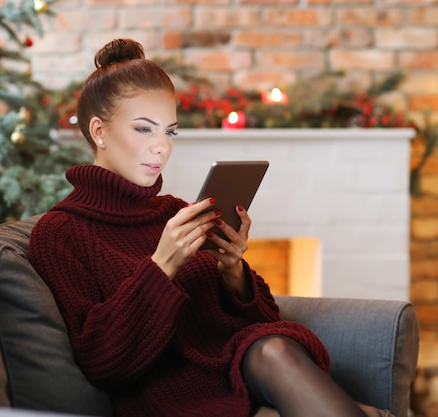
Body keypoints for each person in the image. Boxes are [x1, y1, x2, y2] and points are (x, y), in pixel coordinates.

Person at [28, 38, 393, 417]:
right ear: (99, 131)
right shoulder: (60, 233)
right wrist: (161, 265)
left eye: (169, 132)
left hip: (246, 365)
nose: (161, 148)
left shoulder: (175, 212)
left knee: (275, 347)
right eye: (143, 129)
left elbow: (266, 321)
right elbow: (102, 360)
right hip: (175, 391)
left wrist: (233, 270)